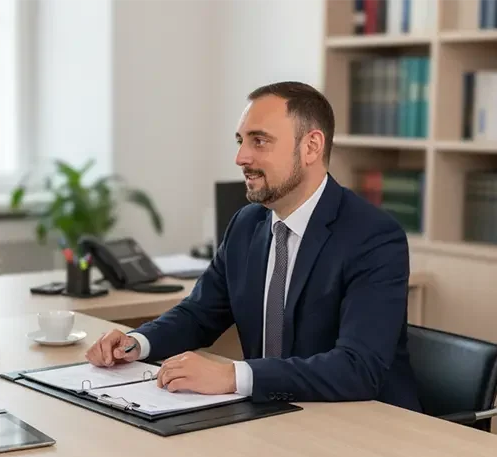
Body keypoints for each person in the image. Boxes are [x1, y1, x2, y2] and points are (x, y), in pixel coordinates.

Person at [85, 81, 421, 411]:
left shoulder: (373, 237)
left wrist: (233, 376)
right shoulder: (247, 224)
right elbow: (199, 314)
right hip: (273, 418)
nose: (241, 157)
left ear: (311, 147)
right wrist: (137, 343)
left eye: (259, 141)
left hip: (364, 430)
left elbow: (357, 369)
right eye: (241, 141)